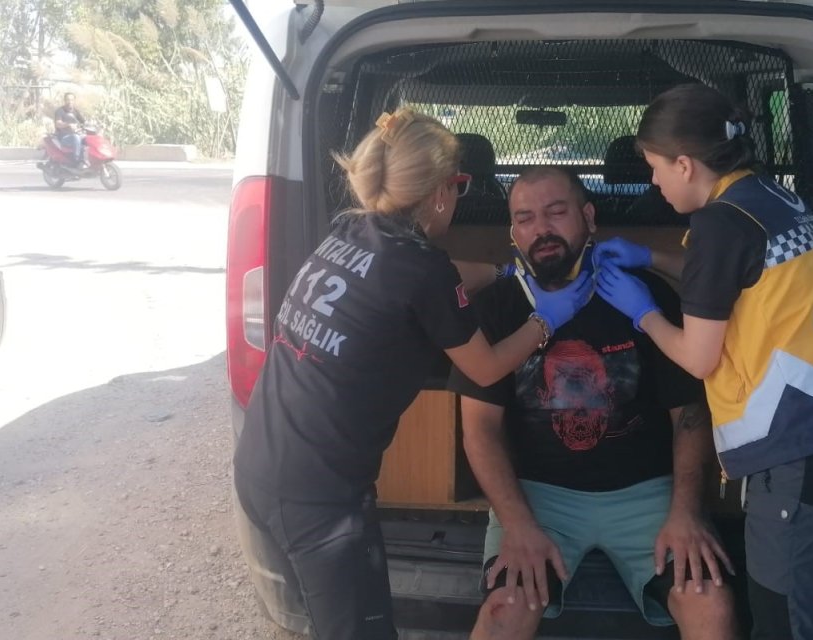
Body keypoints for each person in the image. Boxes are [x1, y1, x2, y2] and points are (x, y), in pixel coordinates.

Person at [232, 109, 593, 640]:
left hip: (263, 465)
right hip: (320, 499)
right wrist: (547, 320)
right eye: (460, 186)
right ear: (442, 192)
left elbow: (429, 281)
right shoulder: (422, 270)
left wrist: (505, 273)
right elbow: (486, 366)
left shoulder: (352, 230)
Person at [592, 84, 813, 640]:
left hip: (801, 446)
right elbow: (736, 279)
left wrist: (643, 314)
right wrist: (651, 258)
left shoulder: (719, 224)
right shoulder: (769, 198)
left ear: (684, 164)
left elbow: (698, 357)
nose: (654, 182)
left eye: (655, 168)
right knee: (797, 613)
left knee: (786, 623)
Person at [449, 166, 735, 640]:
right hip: (538, 495)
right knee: (505, 607)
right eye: (525, 218)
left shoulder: (642, 293)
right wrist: (518, 526)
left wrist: (687, 511)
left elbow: (688, 414)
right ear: (513, 233)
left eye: (556, 212)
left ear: (588, 217)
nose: (541, 229)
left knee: (710, 600)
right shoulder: (497, 306)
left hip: (647, 493)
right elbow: (479, 430)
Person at [53, 92, 86, 167]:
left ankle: (90, 160)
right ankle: (76, 161)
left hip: (75, 135)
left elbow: (84, 122)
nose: (70, 102)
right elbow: (58, 124)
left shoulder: (76, 111)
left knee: (87, 138)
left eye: (72, 100)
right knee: (76, 137)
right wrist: (68, 125)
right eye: (68, 100)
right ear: (64, 100)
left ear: (74, 101)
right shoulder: (60, 111)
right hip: (63, 138)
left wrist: (94, 125)